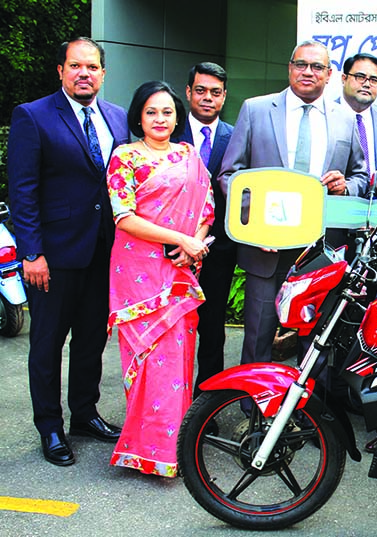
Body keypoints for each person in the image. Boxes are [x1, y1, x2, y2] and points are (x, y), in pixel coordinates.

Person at [7, 37, 128, 466]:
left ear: (103, 73)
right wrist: (31, 252)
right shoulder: (33, 116)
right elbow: (22, 191)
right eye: (76, 66)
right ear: (60, 70)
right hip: (53, 257)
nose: (84, 74)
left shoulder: (116, 117)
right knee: (46, 345)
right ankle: (50, 427)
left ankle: (84, 415)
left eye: (92, 67)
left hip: (103, 253)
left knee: (92, 340)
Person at [218, 40, 367, 367]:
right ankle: (254, 409)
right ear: (289, 68)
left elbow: (360, 175)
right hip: (265, 249)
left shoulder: (345, 118)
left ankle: (310, 414)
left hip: (320, 250)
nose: (308, 72)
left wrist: (346, 186)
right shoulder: (256, 110)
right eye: (301, 64)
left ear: (329, 75)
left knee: (315, 341)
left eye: (317, 67)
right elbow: (230, 175)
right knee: (258, 336)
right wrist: (256, 226)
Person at [105, 81, 214, 477]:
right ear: (138, 116)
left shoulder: (188, 155)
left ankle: (175, 449)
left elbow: (206, 206)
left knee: (178, 361)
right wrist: (180, 238)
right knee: (146, 359)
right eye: (152, 112)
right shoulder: (125, 157)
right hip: (137, 274)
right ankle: (143, 449)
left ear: (177, 117)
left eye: (167, 112)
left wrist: (194, 244)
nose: (160, 119)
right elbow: (125, 217)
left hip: (179, 272)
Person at [171, 62, 235, 397]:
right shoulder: (167, 129)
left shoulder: (236, 135)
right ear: (188, 92)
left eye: (215, 92)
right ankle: (170, 398)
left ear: (224, 96)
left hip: (219, 250)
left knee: (212, 328)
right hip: (171, 251)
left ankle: (206, 401)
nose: (207, 98)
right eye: (200, 90)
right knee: (172, 326)